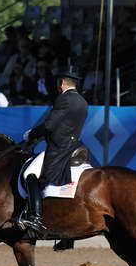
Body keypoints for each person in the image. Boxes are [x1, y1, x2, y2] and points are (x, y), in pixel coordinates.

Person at [19, 67, 88, 236]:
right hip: (75, 146)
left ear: (62, 83)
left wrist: (31, 134)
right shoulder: (82, 101)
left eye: (58, 82)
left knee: (29, 173)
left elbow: (50, 125)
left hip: (60, 149)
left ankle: (34, 217)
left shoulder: (64, 99)